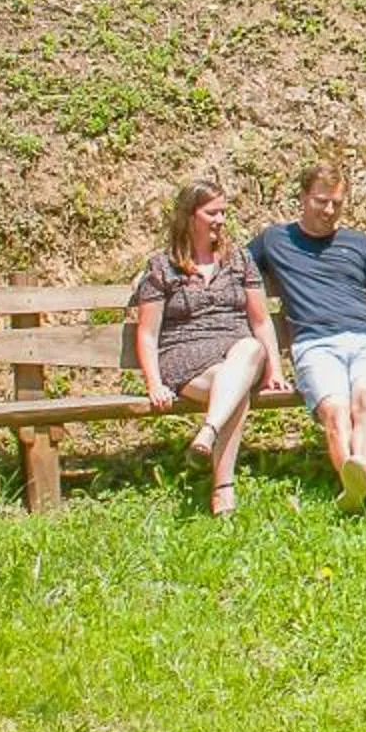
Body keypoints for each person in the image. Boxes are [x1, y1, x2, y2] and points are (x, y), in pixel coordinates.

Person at [246, 162, 366, 513]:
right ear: (302, 197)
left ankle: (356, 484)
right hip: (314, 344)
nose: (329, 211)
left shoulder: (359, 243)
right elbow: (227, 268)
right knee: (335, 411)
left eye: (337, 203)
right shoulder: (275, 240)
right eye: (321, 201)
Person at [129, 182, 282, 518]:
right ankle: (222, 489)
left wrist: (276, 371)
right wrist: (154, 383)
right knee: (235, 391)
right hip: (185, 359)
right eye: (212, 212)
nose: (221, 219)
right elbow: (148, 334)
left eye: (223, 212)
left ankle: (208, 432)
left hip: (238, 354)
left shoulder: (239, 259)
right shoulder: (162, 266)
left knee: (251, 349)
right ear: (189, 216)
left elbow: (260, 321)